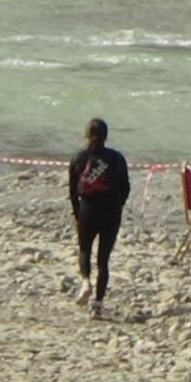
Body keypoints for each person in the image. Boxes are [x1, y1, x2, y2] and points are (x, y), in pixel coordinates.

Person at [68, 118, 131, 319]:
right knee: (104, 260)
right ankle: (97, 304)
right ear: (106, 136)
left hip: (88, 209)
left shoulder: (78, 158)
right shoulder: (116, 158)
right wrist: (118, 204)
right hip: (111, 211)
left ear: (87, 135)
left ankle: (85, 282)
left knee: (85, 250)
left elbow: (72, 191)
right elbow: (125, 187)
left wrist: (78, 211)